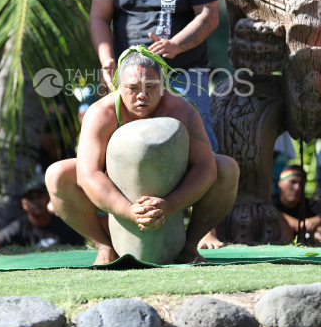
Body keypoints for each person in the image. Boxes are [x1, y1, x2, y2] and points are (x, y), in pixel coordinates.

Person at [90, 0, 221, 248]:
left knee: (200, 138)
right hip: (129, 73)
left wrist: (176, 45)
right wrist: (106, 61)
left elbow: (209, 15)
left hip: (183, 69)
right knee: (102, 143)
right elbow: (99, 18)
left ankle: (203, 230)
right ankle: (111, 233)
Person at [45, 49, 239, 265]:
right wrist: (128, 210)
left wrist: (170, 204)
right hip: (113, 188)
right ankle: (104, 246)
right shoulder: (101, 113)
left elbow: (205, 167)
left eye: (151, 87)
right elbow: (88, 174)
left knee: (226, 167)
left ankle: (189, 245)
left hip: (174, 185)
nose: (142, 95)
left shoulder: (182, 109)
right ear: (118, 85)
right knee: (57, 174)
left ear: (163, 85)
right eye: (132, 88)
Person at [0, 181, 85, 249]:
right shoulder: (19, 226)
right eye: (31, 198)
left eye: (39, 196)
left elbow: (80, 249)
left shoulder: (65, 226)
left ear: (48, 198)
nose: (36, 202)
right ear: (24, 204)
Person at [272, 166, 321, 243]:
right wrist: (305, 227)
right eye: (293, 182)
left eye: (302, 183)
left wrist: (315, 221)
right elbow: (275, 214)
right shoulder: (271, 202)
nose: (297, 187)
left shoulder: (310, 204)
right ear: (280, 183)